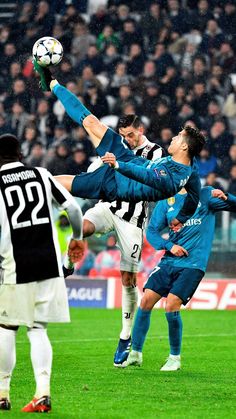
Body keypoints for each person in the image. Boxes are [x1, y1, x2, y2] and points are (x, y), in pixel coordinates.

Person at [34, 62, 206, 231]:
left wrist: (117, 165)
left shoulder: (170, 181)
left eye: (178, 138)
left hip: (115, 184)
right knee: (92, 122)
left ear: (184, 147)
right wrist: (181, 218)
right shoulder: (191, 168)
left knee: (64, 184)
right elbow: (194, 195)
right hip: (127, 158)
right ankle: (52, 83)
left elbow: (146, 176)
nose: (174, 138)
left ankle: (31, 185)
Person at [0, 134, 84, 412]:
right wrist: (78, 236)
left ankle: (2, 393)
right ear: (20, 153)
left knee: (7, 328)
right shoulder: (41, 174)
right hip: (48, 263)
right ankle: (43, 393)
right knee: (37, 330)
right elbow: (72, 207)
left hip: (15, 264)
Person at [123, 186, 236, 370]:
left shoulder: (205, 194)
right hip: (169, 261)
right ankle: (135, 353)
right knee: (146, 301)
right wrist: (168, 245)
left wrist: (226, 196)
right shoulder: (166, 201)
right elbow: (151, 231)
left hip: (193, 264)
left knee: (172, 303)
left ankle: (174, 358)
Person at [83, 114, 163, 366]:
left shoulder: (155, 153)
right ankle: (67, 263)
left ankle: (125, 336)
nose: (127, 139)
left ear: (140, 129)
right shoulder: (116, 146)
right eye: (123, 135)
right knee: (81, 226)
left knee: (128, 279)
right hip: (108, 207)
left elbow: (147, 178)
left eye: (131, 134)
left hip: (133, 221)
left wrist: (118, 162)